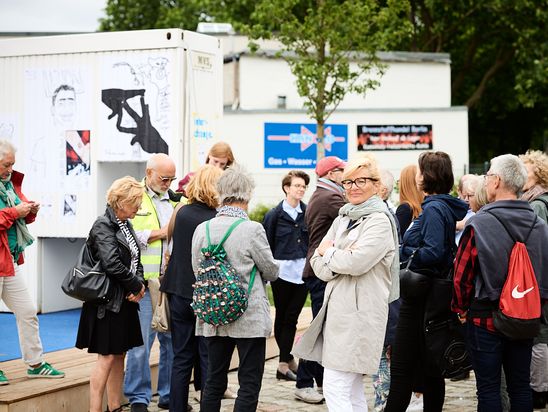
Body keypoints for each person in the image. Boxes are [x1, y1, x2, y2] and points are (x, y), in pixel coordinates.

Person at [293, 154, 400, 411]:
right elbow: (319, 266)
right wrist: (334, 258)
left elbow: (355, 262)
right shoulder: (343, 218)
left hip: (360, 316)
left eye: (360, 181)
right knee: (350, 390)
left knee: (335, 386)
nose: (353, 187)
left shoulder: (379, 221)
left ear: (376, 185)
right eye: (348, 181)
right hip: (338, 315)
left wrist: (329, 254)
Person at [452, 154, 548, 411]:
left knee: (489, 388)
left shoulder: (479, 224)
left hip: (485, 318)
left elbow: (462, 276)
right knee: (520, 387)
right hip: (525, 318)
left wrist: (460, 309)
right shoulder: (539, 225)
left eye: (487, 177)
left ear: (496, 181)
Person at [192, 165, 279, 412]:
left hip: (214, 315)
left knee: (213, 380)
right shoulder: (252, 229)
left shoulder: (203, 229)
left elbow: (196, 269)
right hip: (248, 316)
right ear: (247, 195)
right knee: (249, 382)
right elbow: (271, 270)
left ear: (221, 193)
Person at [385, 151, 468, 412]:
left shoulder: (433, 208)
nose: (417, 176)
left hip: (419, 296)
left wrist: (404, 254)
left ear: (429, 176)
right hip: (431, 296)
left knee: (401, 369)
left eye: (420, 171)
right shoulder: (443, 206)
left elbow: (434, 252)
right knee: (430, 369)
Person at [76, 176, 146, 412]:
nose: (139, 207)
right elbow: (112, 264)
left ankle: (115, 406)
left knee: (119, 355)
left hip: (123, 300)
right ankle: (95, 409)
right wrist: (136, 286)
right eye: (136, 202)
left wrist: (140, 284)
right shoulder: (103, 225)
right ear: (122, 201)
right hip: (106, 303)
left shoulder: (126, 223)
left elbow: (135, 259)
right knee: (106, 357)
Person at [0, 140, 65, 385]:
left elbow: (20, 219)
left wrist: (30, 210)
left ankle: (35, 364)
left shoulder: (8, 185)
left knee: (27, 311)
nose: (10, 169)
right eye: (7, 164)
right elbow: (9, 217)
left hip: (9, 261)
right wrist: (16, 212)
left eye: (12, 164)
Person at [161, 165, 223, 412]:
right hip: (206, 294)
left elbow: (170, 246)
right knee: (208, 357)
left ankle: (176, 408)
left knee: (181, 357)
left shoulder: (181, 211)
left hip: (178, 291)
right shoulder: (216, 219)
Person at [124, 153, 179, 412]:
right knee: (140, 344)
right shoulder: (132, 195)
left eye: (171, 178)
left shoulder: (178, 199)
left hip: (169, 284)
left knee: (171, 342)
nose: (168, 183)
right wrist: (164, 232)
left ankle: (168, 395)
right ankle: (138, 398)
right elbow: (128, 234)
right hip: (143, 284)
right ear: (148, 173)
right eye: (163, 178)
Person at [294, 156, 346, 404]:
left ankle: (321, 381)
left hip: (318, 270)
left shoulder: (320, 195)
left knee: (322, 329)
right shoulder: (331, 197)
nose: (347, 177)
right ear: (333, 173)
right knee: (319, 330)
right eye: (343, 171)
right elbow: (356, 215)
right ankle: (304, 383)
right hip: (321, 271)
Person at [263, 170, 310, 382]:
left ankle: (285, 361)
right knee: (282, 315)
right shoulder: (274, 215)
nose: (300, 189)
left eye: (303, 186)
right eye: (297, 186)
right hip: (282, 273)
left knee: (292, 316)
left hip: (303, 273)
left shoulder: (308, 212)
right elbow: (266, 245)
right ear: (287, 188)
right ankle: (285, 362)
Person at [519, 150, 548, 409]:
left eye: (525, 170)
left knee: (540, 334)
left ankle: (539, 390)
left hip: (538, 281)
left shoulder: (537, 204)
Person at [395, 165, 423, 239]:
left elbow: (398, 239)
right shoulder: (426, 206)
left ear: (405, 184)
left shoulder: (405, 209)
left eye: (400, 181)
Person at [455, 174, 477, 246]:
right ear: (459, 191)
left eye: (471, 195)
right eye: (465, 195)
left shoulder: (480, 208)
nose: (467, 200)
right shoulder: (450, 207)